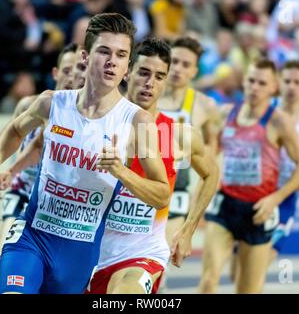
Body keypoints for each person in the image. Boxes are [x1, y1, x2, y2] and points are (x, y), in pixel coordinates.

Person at [0, 13, 171, 294]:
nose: (112, 61)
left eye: (121, 55)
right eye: (104, 51)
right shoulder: (52, 103)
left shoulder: (137, 122)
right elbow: (15, 130)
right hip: (32, 236)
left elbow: (162, 193)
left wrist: (121, 171)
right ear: (86, 57)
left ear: (128, 66)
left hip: (79, 251)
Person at [84, 37, 218, 294]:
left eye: (159, 76)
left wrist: (188, 230)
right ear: (127, 72)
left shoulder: (177, 135)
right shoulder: (97, 124)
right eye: (144, 73)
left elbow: (211, 174)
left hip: (143, 255)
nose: (150, 83)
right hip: (89, 252)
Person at [200, 58, 299, 294]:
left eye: (262, 83)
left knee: (247, 289)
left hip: (259, 210)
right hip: (225, 206)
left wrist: (275, 199)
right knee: (208, 281)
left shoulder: (280, 122)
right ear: (243, 82)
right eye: (251, 80)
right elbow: (210, 154)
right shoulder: (226, 113)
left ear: (273, 88)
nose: (255, 87)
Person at [230, 60, 299, 284]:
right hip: (252, 191)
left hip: (284, 198)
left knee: (258, 270)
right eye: (287, 81)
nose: (291, 87)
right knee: (237, 273)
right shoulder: (262, 108)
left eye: (297, 82)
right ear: (277, 84)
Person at [157, 36, 218, 247]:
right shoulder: (144, 95)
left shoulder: (205, 106)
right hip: (140, 185)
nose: (178, 69)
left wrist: (198, 199)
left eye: (186, 65)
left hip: (177, 190)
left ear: (194, 71)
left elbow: (210, 156)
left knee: (160, 260)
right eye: (174, 62)